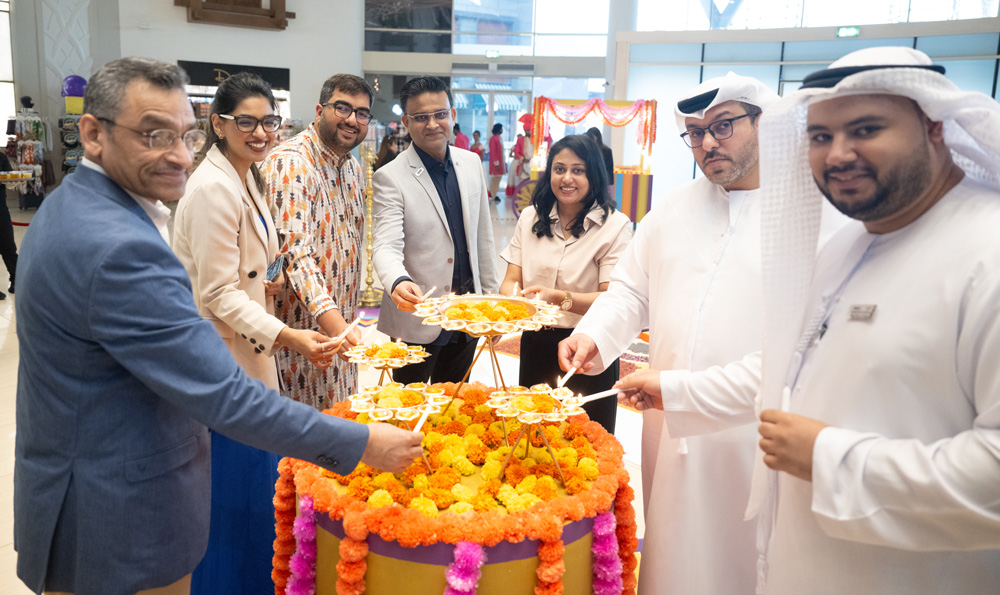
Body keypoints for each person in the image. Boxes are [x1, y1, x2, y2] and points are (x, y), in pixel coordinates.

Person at [13, 57, 422, 595]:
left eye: (184, 134)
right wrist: (362, 442)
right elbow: (225, 395)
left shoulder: (78, 206)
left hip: (88, 482)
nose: (179, 155)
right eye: (153, 135)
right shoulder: (119, 247)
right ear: (91, 134)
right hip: (118, 515)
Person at [617, 47, 1000, 594]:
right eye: (819, 137)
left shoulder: (986, 250)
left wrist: (828, 459)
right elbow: (783, 371)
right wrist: (676, 389)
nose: (838, 154)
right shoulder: (848, 247)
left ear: (935, 126)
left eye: (865, 129)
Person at [559, 73, 780, 594]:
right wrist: (593, 336)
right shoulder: (674, 209)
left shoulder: (802, 216)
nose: (707, 143)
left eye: (723, 126)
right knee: (674, 556)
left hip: (751, 431)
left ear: (764, 123)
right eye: (696, 132)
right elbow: (632, 293)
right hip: (669, 424)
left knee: (746, 559)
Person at [172, 72, 339, 595]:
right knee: (235, 492)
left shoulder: (247, 175)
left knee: (256, 488)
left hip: (246, 350)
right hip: (223, 360)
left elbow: (240, 271)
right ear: (217, 123)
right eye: (246, 121)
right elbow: (216, 295)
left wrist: (270, 284)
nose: (261, 132)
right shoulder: (213, 189)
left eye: (269, 121)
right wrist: (291, 337)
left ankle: (253, 579)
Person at [372, 76, 500, 384]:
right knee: (408, 409)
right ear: (406, 121)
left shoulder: (471, 163)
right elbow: (386, 246)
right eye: (421, 117)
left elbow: (483, 240)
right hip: (417, 315)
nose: (432, 124)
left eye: (440, 114)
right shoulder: (390, 176)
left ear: (453, 116)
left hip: (466, 312)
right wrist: (397, 280)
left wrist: (492, 304)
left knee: (454, 405)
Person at [498, 134, 631, 432]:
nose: (567, 178)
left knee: (588, 439)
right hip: (536, 342)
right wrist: (518, 300)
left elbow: (614, 299)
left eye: (578, 170)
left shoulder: (615, 225)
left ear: (593, 175)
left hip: (590, 346)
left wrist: (559, 298)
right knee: (534, 436)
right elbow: (509, 282)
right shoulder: (531, 217)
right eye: (559, 169)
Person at [260, 73, 373, 410]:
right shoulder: (292, 162)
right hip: (302, 340)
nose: (352, 120)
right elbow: (294, 255)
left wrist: (344, 329)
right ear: (320, 110)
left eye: (362, 113)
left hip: (340, 335)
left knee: (337, 431)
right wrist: (336, 327)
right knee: (298, 447)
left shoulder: (350, 167)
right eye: (343, 108)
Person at [0, 151, 17, 299]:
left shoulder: (1, 157)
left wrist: (12, 179)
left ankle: (16, 280)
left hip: (0, 209)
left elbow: (10, 178)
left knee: (8, 246)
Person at [506, 130, 534, 197]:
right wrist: (521, 158)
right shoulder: (514, 146)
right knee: (517, 178)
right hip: (518, 162)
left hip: (528, 162)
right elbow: (512, 154)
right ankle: (519, 194)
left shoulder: (532, 142)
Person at [488, 123, 505, 201]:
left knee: (498, 178)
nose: (502, 130)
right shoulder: (493, 139)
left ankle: (494, 193)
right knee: (495, 179)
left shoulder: (499, 138)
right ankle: (493, 194)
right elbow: (493, 152)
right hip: (496, 163)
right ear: (498, 129)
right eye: (501, 128)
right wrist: (496, 163)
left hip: (500, 163)